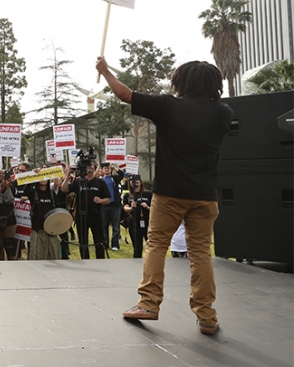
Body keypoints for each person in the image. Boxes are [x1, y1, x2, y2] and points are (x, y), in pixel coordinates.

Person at [97, 57, 233, 335]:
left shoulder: (169, 106)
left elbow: (124, 94)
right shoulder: (223, 113)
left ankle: (148, 303)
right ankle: (207, 316)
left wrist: (105, 71)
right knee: (200, 253)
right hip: (205, 195)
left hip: (170, 192)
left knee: (157, 245)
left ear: (182, 82)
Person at [61, 160, 110, 259]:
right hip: (81, 217)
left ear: (94, 166)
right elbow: (64, 189)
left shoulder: (100, 182)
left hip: (96, 216)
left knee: (99, 242)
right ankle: (85, 260)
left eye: (91, 164)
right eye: (86, 165)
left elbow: (108, 200)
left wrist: (100, 200)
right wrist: (67, 175)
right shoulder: (79, 181)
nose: (89, 167)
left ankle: (101, 261)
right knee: (83, 243)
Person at [24, 178, 65, 260]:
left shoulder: (52, 194)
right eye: (41, 177)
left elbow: (58, 208)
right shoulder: (34, 193)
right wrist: (33, 176)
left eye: (45, 177)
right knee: (37, 256)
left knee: (53, 256)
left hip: (51, 230)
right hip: (38, 230)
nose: (43, 180)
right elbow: (26, 191)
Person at [123, 177, 152, 258]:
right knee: (137, 247)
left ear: (141, 182)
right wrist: (132, 208)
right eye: (132, 181)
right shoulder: (128, 195)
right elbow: (125, 208)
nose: (134, 183)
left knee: (151, 245)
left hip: (147, 222)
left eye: (136, 181)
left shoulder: (148, 194)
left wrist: (147, 207)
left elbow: (156, 209)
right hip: (134, 223)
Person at [100, 163, 125, 251]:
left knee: (116, 226)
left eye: (108, 168)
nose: (107, 169)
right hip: (103, 206)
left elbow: (122, 174)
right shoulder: (100, 180)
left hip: (115, 205)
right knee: (104, 226)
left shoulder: (114, 179)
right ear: (102, 170)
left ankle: (115, 244)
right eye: (105, 168)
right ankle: (105, 243)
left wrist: (114, 167)